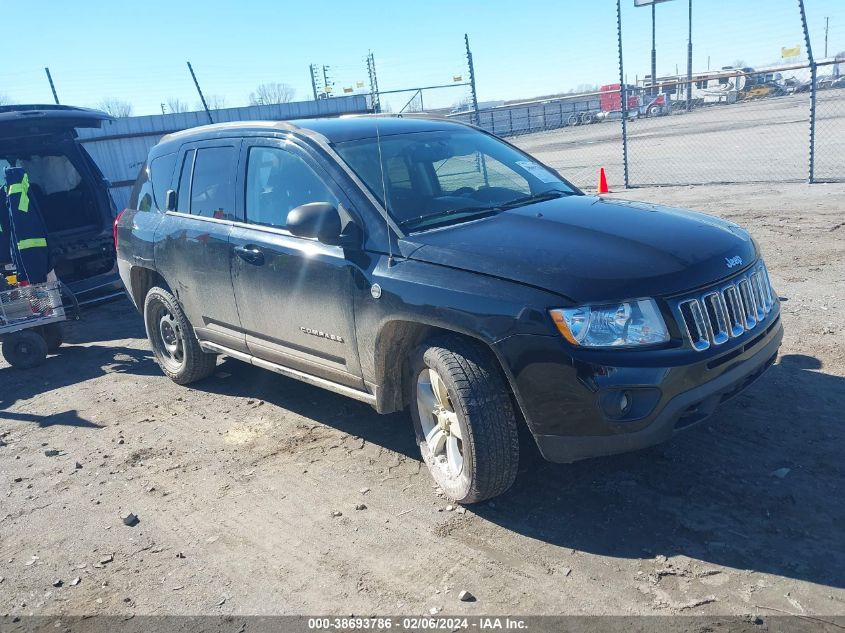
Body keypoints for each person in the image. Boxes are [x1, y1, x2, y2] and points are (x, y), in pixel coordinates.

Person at [4, 166, 52, 285]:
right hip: (39, 262)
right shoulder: (22, 194)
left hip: (32, 263)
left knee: (43, 294)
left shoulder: (14, 196)